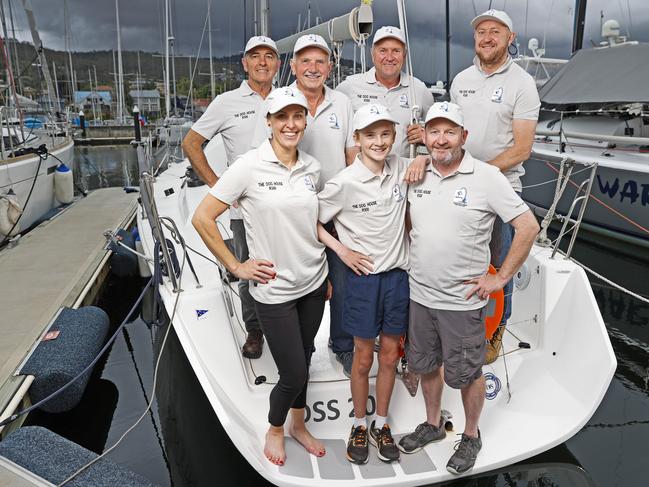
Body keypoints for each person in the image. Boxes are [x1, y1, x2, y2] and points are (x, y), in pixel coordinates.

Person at [399, 102, 539, 474]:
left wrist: (500, 278)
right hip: (420, 296)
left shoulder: (487, 177)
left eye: (449, 132)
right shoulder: (417, 172)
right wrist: (419, 162)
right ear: (424, 137)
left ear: (464, 136)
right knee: (427, 365)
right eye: (434, 132)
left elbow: (528, 227)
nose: (441, 139)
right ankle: (432, 424)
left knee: (467, 374)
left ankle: (472, 434)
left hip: (462, 303)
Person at [192, 87, 329, 466]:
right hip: (275, 291)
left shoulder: (312, 168)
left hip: (314, 283)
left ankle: (299, 426)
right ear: (268, 122)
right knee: (294, 371)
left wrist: (329, 269)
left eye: (297, 116)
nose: (290, 124)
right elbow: (202, 218)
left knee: (305, 354)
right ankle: (275, 428)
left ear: (305, 120)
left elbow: (311, 223)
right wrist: (236, 267)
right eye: (282, 117)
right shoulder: (248, 167)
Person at [318, 103, 409, 464]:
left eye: (385, 133)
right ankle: (359, 423)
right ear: (356, 139)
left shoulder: (403, 168)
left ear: (394, 136)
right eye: (370, 135)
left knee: (390, 354)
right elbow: (313, 221)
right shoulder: (343, 182)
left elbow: (431, 164)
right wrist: (341, 251)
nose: (379, 141)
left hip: (398, 279)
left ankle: (381, 424)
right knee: (362, 357)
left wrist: (419, 161)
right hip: (363, 281)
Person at [182, 35, 282, 360]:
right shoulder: (226, 102)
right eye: (256, 56)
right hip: (244, 210)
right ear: (245, 63)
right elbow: (191, 144)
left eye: (269, 56)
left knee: (287, 263)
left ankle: (287, 326)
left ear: (277, 63)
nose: (263, 62)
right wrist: (219, 189)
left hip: (283, 205)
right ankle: (254, 329)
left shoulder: (287, 98)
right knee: (247, 268)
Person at [450, 10, 540, 361]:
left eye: (495, 32)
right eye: (481, 32)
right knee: (460, 260)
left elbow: (522, 147)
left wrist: (478, 173)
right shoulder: (461, 80)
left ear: (510, 37)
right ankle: (458, 324)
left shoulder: (522, 84)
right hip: (458, 188)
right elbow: (452, 135)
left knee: (499, 264)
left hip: (501, 189)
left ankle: (493, 333)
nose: (487, 37)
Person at [283, 33, 359, 377]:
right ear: (294, 65)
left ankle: (342, 345)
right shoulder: (280, 100)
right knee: (300, 283)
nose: (313, 68)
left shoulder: (342, 102)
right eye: (306, 61)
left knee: (341, 282)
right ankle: (301, 349)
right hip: (294, 213)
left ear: (330, 67)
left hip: (336, 211)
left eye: (320, 61)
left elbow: (351, 155)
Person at [337, 26, 435, 157]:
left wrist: (424, 134)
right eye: (383, 51)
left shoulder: (419, 89)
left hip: (404, 174)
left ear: (404, 55)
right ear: (372, 54)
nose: (389, 57)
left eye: (396, 51)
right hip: (363, 174)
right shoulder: (349, 87)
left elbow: (436, 133)